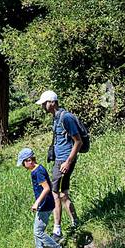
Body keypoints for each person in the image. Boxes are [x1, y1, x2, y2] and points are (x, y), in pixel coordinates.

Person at [37, 90, 82, 238]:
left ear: (52, 102)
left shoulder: (66, 118)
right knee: (62, 194)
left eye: (44, 104)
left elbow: (78, 141)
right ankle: (75, 222)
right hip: (60, 160)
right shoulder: (56, 118)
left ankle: (57, 230)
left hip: (64, 161)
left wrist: (68, 162)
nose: (43, 107)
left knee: (55, 193)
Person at [17, 147, 66, 248]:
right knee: (37, 231)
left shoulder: (38, 171)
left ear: (29, 160)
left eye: (23, 163)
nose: (24, 166)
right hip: (45, 204)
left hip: (45, 204)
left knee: (39, 232)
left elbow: (47, 188)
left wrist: (37, 203)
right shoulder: (36, 170)